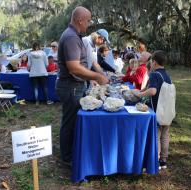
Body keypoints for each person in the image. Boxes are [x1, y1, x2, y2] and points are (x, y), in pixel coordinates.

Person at [55, 6, 109, 166]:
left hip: (72, 86)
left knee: (71, 120)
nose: (89, 23)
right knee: (70, 122)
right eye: (88, 20)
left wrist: (90, 78)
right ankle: (68, 158)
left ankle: (69, 153)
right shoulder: (71, 37)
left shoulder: (73, 35)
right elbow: (74, 68)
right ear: (79, 20)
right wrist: (98, 76)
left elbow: (81, 65)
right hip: (70, 87)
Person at [133, 50, 173, 170]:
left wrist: (139, 95)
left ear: (154, 62)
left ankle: (155, 159)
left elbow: (152, 91)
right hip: (167, 110)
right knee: (165, 135)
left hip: (157, 110)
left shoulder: (155, 74)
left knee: (156, 135)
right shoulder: (167, 75)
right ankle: (163, 160)